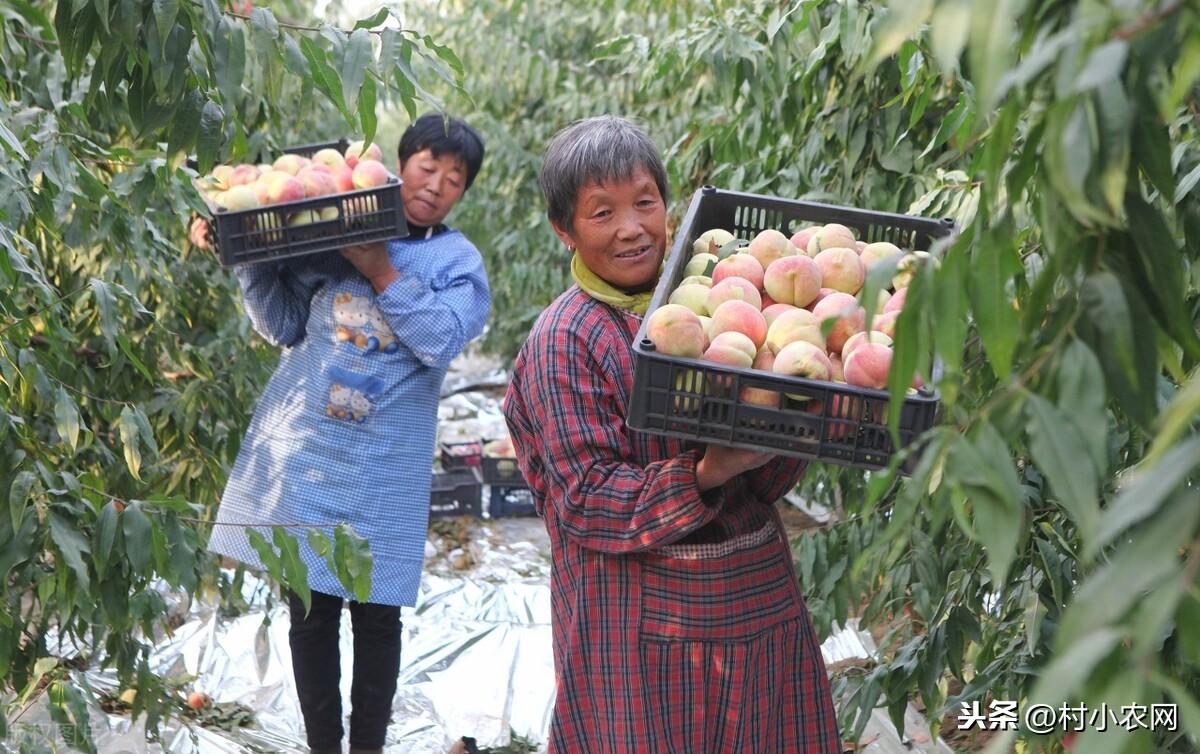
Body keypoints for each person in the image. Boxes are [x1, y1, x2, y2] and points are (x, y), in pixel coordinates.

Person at [502, 116, 841, 753]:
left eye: (645, 202)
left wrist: (797, 416)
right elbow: (586, 500)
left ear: (669, 203)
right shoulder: (567, 340)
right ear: (564, 231)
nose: (631, 227)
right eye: (602, 212)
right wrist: (705, 470)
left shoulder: (726, 300)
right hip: (633, 625)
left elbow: (767, 477)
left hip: (754, 601)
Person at [205, 113, 489, 754]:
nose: (437, 184)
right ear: (401, 161)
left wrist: (382, 269)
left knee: (376, 616)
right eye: (427, 165)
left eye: (454, 177)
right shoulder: (331, 225)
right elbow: (282, 325)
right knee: (308, 613)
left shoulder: (456, 261)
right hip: (308, 457)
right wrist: (248, 260)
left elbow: (441, 339)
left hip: (384, 470)